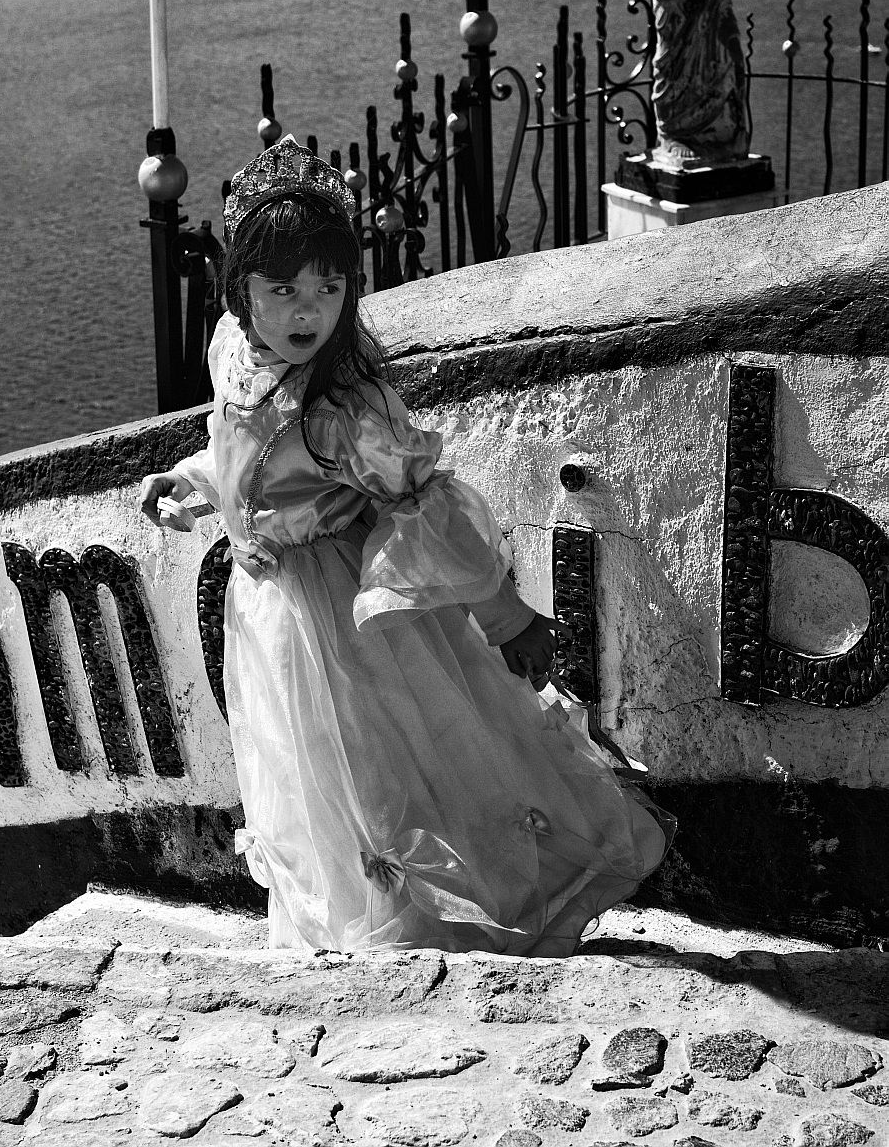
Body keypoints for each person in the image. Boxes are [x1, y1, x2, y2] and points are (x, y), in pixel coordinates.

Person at [139, 136, 671, 955]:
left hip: (347, 621)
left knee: (378, 772)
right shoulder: (233, 354)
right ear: (240, 294)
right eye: (281, 290)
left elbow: (432, 513)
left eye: (329, 286)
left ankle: (419, 933)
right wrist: (199, 484)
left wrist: (504, 616)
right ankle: (339, 921)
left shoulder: (348, 414)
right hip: (272, 614)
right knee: (308, 773)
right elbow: (242, 458)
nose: (306, 310)